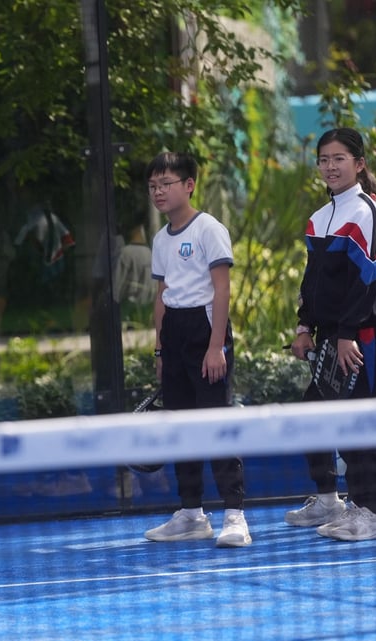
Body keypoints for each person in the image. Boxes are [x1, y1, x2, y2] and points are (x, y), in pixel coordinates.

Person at [285, 127, 376, 541]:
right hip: (333, 338)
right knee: (316, 414)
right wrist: (304, 327)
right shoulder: (320, 218)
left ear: (359, 164)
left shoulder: (367, 212)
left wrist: (349, 333)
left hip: (363, 337)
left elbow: (368, 281)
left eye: (339, 159)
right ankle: (331, 499)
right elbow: (312, 280)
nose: (330, 166)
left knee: (365, 423)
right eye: (324, 159)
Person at [142, 151, 250, 548]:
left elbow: (222, 289)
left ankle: (235, 515)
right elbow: (161, 295)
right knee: (180, 427)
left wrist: (216, 346)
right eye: (153, 186)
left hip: (206, 331)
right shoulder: (159, 239)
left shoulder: (209, 229)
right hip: (173, 334)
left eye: (166, 184)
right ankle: (191, 514)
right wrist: (159, 350)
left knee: (215, 425)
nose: (158, 192)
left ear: (189, 185)